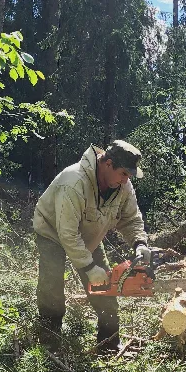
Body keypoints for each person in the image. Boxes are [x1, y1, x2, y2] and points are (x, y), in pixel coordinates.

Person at [32, 140, 151, 353]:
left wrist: (140, 243)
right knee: (52, 287)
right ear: (108, 164)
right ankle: (49, 343)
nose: (126, 180)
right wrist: (88, 267)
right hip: (52, 231)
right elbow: (67, 234)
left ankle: (109, 345)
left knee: (105, 290)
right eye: (124, 173)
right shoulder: (74, 182)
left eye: (129, 176)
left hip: (88, 235)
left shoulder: (123, 186)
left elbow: (131, 219)